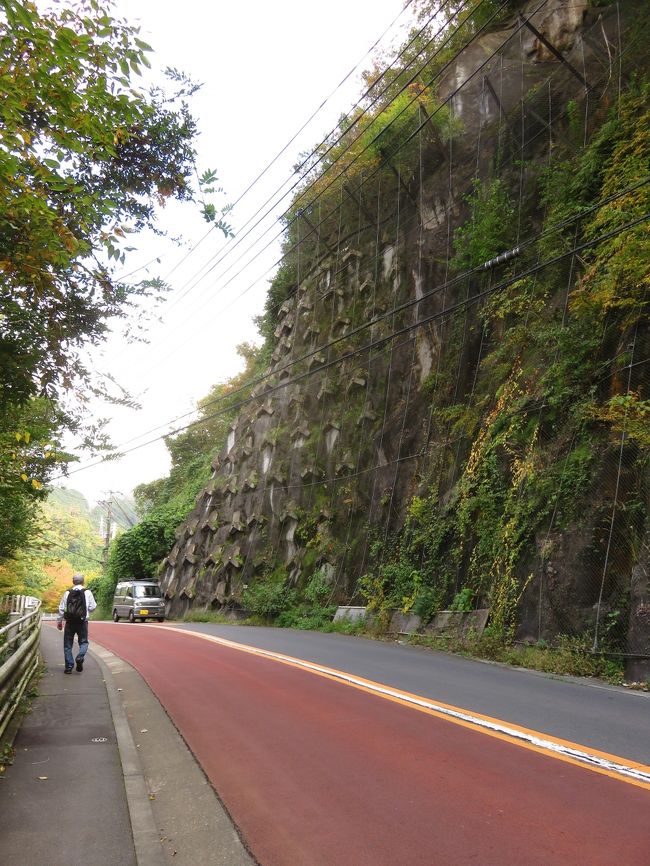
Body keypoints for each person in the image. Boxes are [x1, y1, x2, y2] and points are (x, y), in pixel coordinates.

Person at [57, 573, 97, 674]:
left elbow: (62, 608)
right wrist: (86, 610)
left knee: (67, 645)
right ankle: (80, 656)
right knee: (83, 642)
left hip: (70, 622)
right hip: (82, 621)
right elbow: (92, 607)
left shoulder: (67, 593)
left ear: (73, 582)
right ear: (83, 581)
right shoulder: (87, 592)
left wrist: (59, 621)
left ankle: (69, 667)